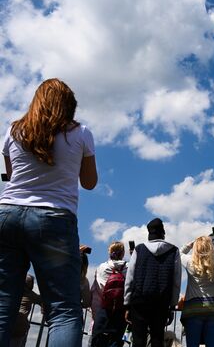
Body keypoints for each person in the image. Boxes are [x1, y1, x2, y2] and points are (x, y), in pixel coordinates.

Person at [0, 78, 98, 346]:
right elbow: (89, 183)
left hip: (7, 214)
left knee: (2, 304)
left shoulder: (13, 131)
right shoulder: (81, 134)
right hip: (53, 219)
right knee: (63, 310)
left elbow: (10, 175)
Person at [124, 218, 181, 347]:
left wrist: (127, 303)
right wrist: (172, 304)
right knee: (157, 338)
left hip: (139, 301)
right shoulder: (174, 251)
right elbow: (176, 281)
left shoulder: (139, 249)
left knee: (138, 340)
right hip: (161, 301)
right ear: (163, 233)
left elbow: (130, 277)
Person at [180, 234, 214, 346]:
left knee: (192, 344)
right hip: (213, 309)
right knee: (213, 343)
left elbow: (179, 253)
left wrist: (191, 244)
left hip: (193, 309)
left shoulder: (189, 262)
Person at [90, 241, 128, 347]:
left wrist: (94, 314)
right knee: (115, 341)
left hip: (103, 311)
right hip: (121, 312)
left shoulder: (102, 267)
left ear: (109, 252)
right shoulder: (128, 268)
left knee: (98, 342)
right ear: (123, 253)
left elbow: (96, 291)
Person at [10, 274, 41, 347]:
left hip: (8, 323)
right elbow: (42, 300)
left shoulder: (11, 290)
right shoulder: (30, 294)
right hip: (20, 327)